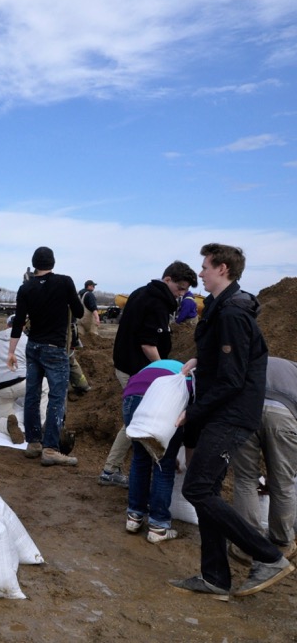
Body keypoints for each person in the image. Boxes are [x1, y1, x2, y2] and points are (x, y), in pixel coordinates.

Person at [170, 243, 292, 598]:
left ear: (222, 268)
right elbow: (226, 359)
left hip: (231, 415)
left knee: (197, 488)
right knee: (204, 489)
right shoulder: (224, 309)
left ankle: (268, 557)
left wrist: (192, 412)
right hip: (223, 412)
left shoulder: (233, 313)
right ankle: (215, 578)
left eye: (205, 267)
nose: (202, 273)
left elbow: (232, 379)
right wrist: (198, 360)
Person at [99, 261, 197, 487]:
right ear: (167, 280)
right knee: (135, 421)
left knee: (134, 419)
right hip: (137, 369)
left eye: (185, 290)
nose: (181, 294)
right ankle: (111, 470)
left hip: (128, 363)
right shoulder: (157, 302)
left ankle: (112, 468)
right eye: (179, 288)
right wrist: (163, 372)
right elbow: (148, 344)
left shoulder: (142, 293)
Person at [7, 246, 82, 467]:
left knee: (32, 395)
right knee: (57, 398)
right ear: (53, 262)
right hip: (55, 348)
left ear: (34, 263)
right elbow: (78, 311)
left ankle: (33, 444)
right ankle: (50, 448)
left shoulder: (26, 288)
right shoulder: (64, 282)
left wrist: (11, 352)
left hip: (33, 347)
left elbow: (18, 322)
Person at [230, 356, 297, 562]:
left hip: (245, 412)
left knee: (245, 480)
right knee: (284, 484)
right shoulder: (294, 371)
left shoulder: (251, 361)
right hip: (284, 416)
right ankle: (282, 541)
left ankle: (248, 543)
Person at [122, 360, 189, 543]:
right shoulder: (190, 380)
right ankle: (158, 526)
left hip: (132, 397)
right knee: (163, 464)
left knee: (140, 457)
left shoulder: (161, 367)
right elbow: (192, 426)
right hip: (162, 401)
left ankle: (134, 517)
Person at [0, 314, 47, 445]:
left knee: (1, 418)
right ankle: (42, 423)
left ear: (7, 325)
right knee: (45, 385)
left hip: (1, 387)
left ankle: (8, 425)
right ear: (22, 326)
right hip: (23, 383)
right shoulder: (26, 340)